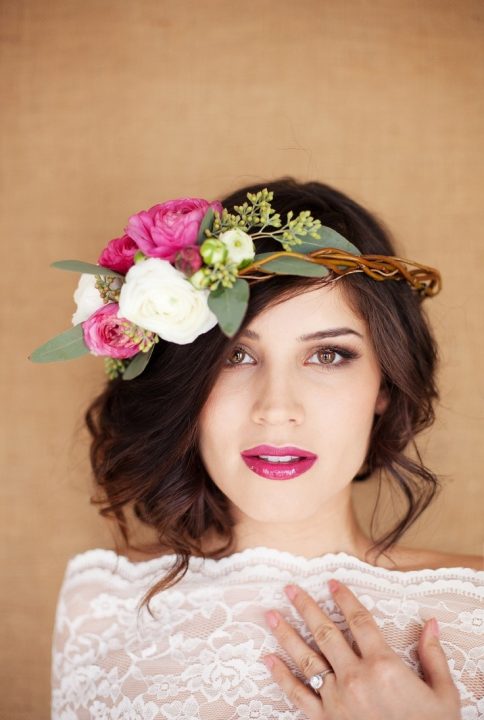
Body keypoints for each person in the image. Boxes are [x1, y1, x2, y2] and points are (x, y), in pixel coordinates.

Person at [37, 178, 483, 719]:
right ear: (189, 385)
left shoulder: (474, 610)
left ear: (384, 387)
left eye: (328, 356)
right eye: (237, 357)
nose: (276, 407)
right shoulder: (99, 603)